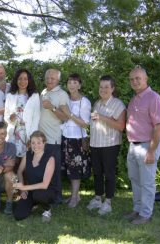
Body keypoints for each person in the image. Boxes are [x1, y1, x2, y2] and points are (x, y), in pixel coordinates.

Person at [124, 66, 160, 225]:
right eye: (132, 79)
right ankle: (137, 209)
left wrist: (151, 151)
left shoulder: (154, 98)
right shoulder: (134, 99)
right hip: (133, 146)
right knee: (135, 179)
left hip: (148, 145)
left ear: (146, 79)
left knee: (147, 182)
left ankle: (146, 215)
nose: (134, 81)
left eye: (138, 78)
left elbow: (159, 127)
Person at [87, 75, 126, 215]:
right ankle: (98, 198)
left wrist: (101, 117)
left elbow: (121, 126)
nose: (103, 89)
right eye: (101, 87)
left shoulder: (118, 104)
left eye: (106, 87)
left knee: (109, 174)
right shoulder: (97, 103)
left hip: (110, 144)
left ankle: (108, 202)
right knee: (97, 173)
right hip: (95, 144)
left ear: (112, 88)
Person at [59, 73, 92, 208]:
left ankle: (74, 198)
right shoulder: (65, 98)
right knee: (68, 168)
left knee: (75, 170)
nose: (72, 85)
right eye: (69, 82)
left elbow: (85, 123)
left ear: (79, 85)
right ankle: (75, 195)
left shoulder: (84, 101)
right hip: (65, 137)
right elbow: (63, 118)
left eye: (75, 82)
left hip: (77, 140)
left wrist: (69, 114)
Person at [39, 68, 69, 204]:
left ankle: (57, 198)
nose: (49, 80)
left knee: (54, 169)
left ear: (58, 80)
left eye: (53, 78)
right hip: (39, 140)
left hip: (53, 138)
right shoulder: (43, 92)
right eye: (48, 78)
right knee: (42, 168)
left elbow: (65, 117)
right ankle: (45, 194)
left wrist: (52, 107)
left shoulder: (62, 94)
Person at [13, 131, 57, 222]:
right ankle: (34, 203)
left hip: (46, 191)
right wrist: (23, 190)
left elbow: (45, 184)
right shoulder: (28, 155)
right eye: (33, 143)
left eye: (39, 143)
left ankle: (47, 209)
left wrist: (25, 187)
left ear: (44, 143)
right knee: (18, 215)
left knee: (38, 195)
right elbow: (19, 171)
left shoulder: (50, 158)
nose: (36, 145)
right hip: (30, 190)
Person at [4, 68, 40, 167]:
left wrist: (32, 137)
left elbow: (36, 118)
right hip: (13, 134)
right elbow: (6, 116)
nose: (22, 81)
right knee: (12, 163)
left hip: (27, 134)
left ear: (29, 81)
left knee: (26, 164)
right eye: (20, 78)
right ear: (16, 80)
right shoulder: (10, 95)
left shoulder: (34, 96)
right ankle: (13, 182)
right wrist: (10, 118)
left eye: (25, 79)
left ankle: (24, 182)